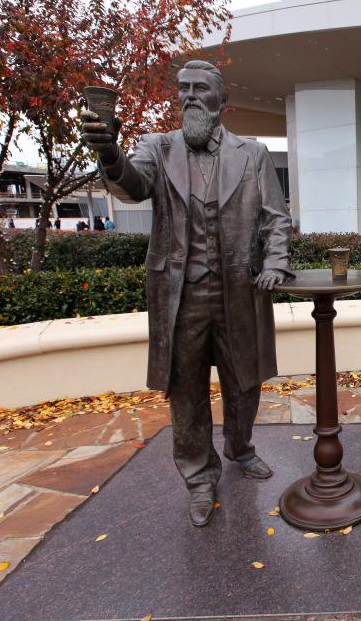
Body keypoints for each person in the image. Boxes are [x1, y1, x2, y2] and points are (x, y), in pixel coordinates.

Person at [81, 59, 293, 527]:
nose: (189, 96)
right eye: (183, 89)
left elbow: (275, 218)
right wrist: (109, 153)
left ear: (222, 102)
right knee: (187, 389)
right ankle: (199, 478)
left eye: (200, 89)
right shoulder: (157, 148)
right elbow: (132, 187)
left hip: (240, 288)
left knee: (245, 383)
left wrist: (277, 262)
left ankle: (240, 447)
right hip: (181, 295)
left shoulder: (252, 153)